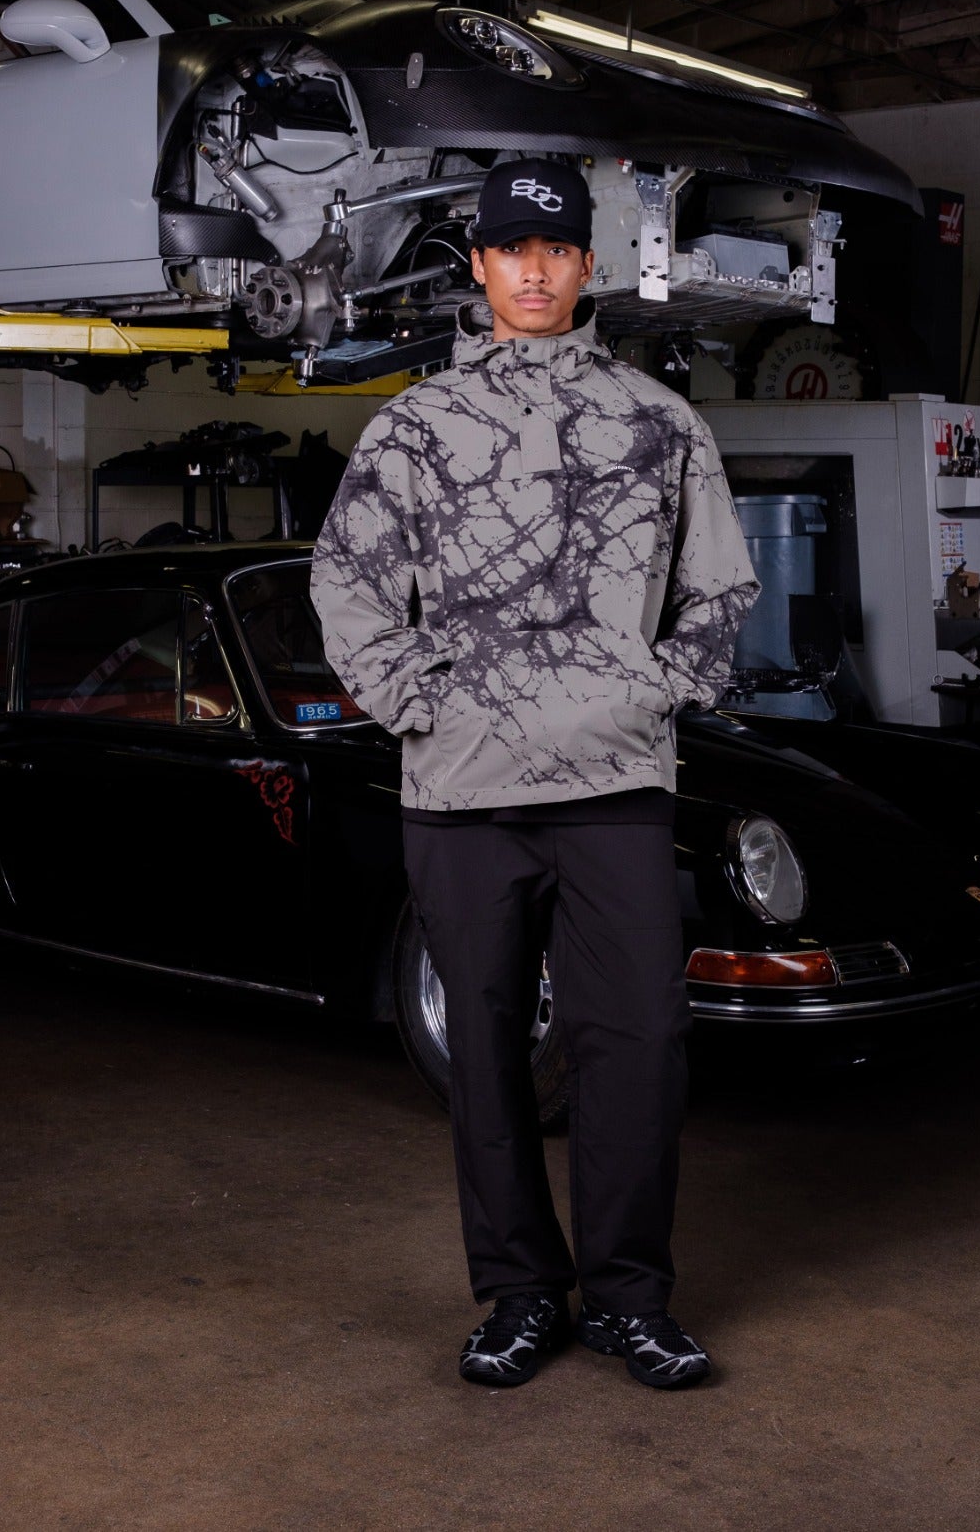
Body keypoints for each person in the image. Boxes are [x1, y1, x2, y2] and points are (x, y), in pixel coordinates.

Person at [310, 157, 759, 1391]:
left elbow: (719, 586)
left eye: (556, 250)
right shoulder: (412, 424)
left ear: (587, 266)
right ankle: (516, 1293)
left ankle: (627, 1298)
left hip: (616, 781)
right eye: (511, 249)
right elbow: (345, 588)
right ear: (477, 267)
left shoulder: (658, 420)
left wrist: (657, 687)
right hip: (460, 792)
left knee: (641, 1042)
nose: (534, 271)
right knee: (489, 1047)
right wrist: (421, 699)